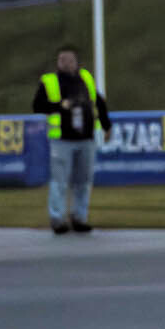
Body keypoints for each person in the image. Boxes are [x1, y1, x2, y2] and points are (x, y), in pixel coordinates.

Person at [32, 45, 111, 234]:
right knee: (59, 181)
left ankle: (79, 218)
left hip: (86, 138)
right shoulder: (50, 81)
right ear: (57, 62)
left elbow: (98, 101)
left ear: (76, 62)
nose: (66, 64)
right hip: (62, 140)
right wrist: (60, 105)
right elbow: (37, 106)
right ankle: (57, 219)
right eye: (62, 60)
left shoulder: (85, 78)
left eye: (69, 60)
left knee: (83, 181)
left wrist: (106, 125)